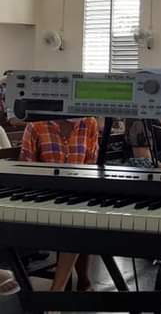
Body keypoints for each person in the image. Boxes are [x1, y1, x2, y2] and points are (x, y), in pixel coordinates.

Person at [19, 118, 99, 292]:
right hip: (43, 198)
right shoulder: (35, 125)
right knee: (76, 220)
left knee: (79, 217)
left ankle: (61, 289)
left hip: (76, 197)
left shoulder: (89, 123)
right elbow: (25, 172)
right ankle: (62, 290)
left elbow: (92, 166)